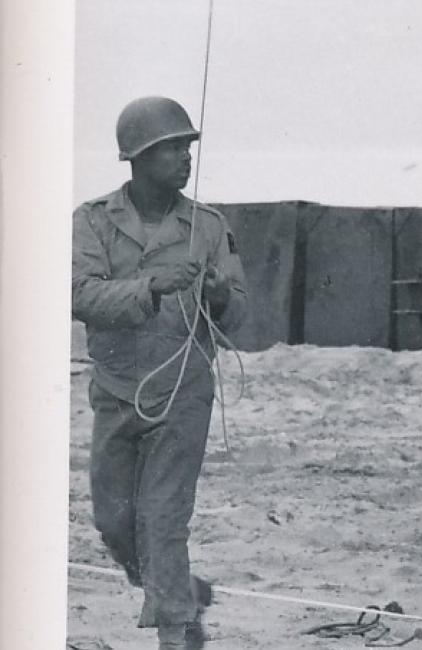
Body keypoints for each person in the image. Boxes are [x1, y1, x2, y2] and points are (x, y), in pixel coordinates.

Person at [73, 96, 247, 649]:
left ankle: (179, 634)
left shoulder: (208, 225)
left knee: (162, 519)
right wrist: (151, 286)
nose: (184, 157)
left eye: (187, 147)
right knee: (114, 525)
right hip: (117, 389)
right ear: (138, 156)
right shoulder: (92, 221)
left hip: (182, 390)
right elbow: (79, 295)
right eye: (172, 147)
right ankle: (182, 593)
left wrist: (219, 297)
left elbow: (240, 312)